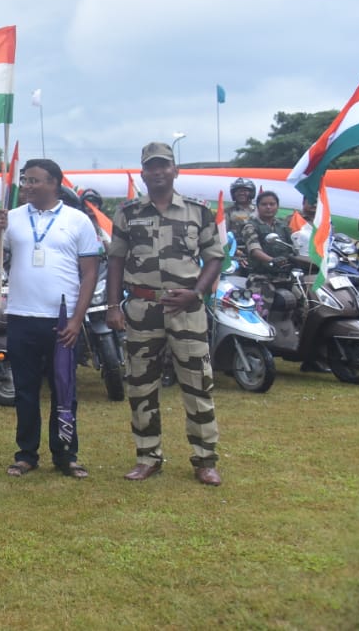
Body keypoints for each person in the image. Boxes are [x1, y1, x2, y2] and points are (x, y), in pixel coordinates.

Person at [107, 142, 224, 487]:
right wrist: (114, 306)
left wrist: (198, 292)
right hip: (142, 309)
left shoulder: (197, 211)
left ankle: (205, 460)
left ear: (175, 170)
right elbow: (115, 259)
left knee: (198, 384)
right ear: (143, 173)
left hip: (186, 308)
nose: (158, 172)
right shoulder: (127, 213)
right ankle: (147, 456)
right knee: (141, 384)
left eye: (164, 166)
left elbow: (214, 255)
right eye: (151, 167)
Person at [0, 158, 102, 479]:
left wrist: (78, 319)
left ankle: (66, 454)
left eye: (34, 181)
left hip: (63, 321)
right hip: (22, 317)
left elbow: (89, 274)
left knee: (65, 389)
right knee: (25, 389)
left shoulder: (77, 221)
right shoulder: (13, 218)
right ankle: (26, 454)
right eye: (25, 180)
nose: (27, 186)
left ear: (54, 183)